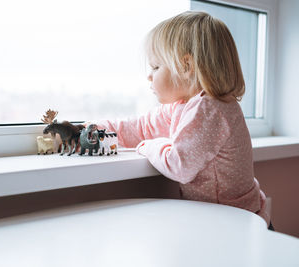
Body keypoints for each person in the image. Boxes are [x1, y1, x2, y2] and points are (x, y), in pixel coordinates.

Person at [94, 11, 273, 229]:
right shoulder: (183, 105)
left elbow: (180, 166)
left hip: (235, 223)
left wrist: (148, 146)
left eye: (156, 67)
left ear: (186, 66)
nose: (149, 76)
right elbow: (141, 127)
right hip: (223, 220)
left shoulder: (210, 108)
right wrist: (97, 128)